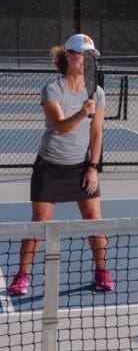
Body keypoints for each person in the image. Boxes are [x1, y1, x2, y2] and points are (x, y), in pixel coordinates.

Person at [8, 33, 114, 296]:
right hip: (50, 168)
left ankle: (102, 271)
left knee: (94, 221)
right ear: (68, 55)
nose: (86, 59)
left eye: (90, 55)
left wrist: (92, 167)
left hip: (81, 167)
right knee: (40, 223)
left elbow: (97, 131)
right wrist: (81, 112)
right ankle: (22, 275)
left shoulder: (97, 93)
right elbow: (60, 127)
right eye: (82, 53)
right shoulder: (52, 89)